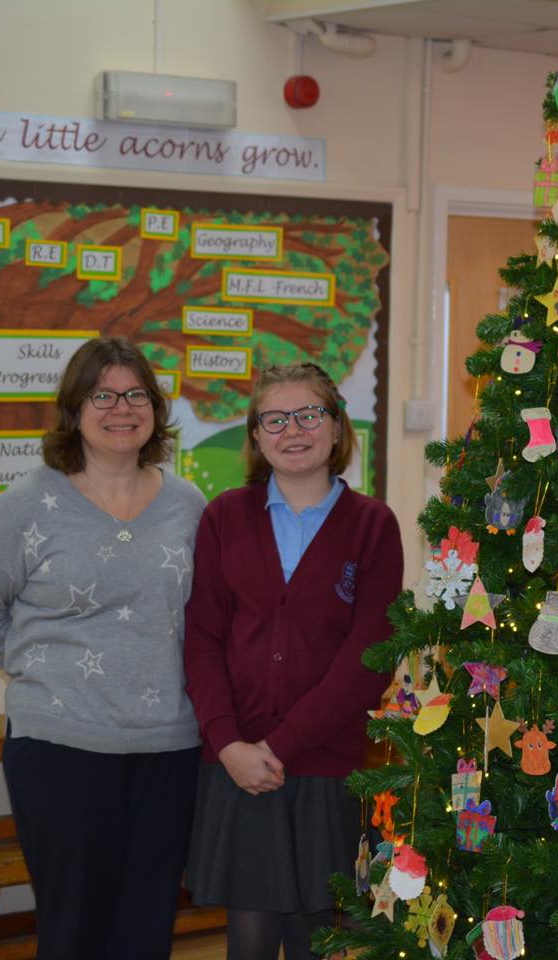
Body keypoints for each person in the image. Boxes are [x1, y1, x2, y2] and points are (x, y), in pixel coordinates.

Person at [0, 336, 207, 959]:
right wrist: (41, 669)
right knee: (75, 928)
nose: (122, 408)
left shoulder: (188, 504)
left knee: (147, 927)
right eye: (103, 395)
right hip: (59, 749)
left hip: (167, 749)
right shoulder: (29, 503)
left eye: (135, 393)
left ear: (155, 406)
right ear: (75, 409)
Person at [183, 362, 403, 960]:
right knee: (248, 938)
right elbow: (201, 639)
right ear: (256, 437)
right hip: (237, 762)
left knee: (316, 934)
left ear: (336, 428)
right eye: (274, 419)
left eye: (310, 414)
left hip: (323, 764)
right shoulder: (224, 517)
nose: (293, 430)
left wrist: (281, 745)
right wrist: (229, 743)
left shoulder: (372, 525)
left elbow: (370, 656)